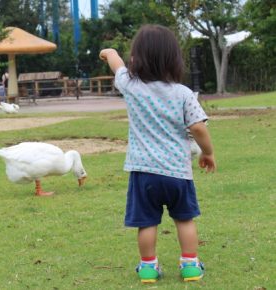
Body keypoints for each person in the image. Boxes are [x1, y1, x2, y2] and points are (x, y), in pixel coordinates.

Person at [99, 24, 216, 284]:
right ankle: (190, 266)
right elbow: (197, 127)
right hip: (178, 172)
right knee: (185, 219)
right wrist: (208, 152)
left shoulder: (131, 86)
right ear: (174, 59)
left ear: (136, 59)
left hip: (143, 173)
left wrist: (110, 51)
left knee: (147, 223)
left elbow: (117, 65)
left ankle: (149, 268)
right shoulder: (183, 93)